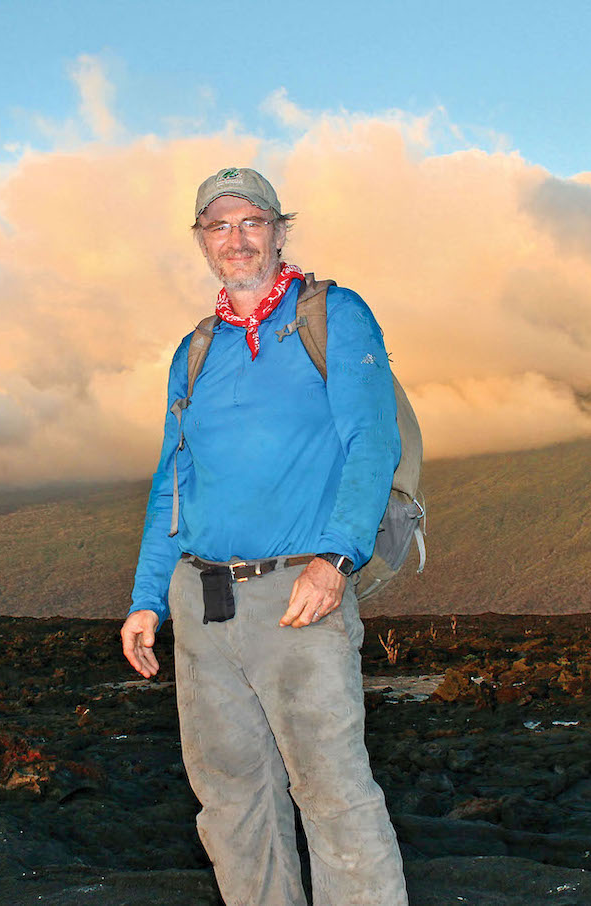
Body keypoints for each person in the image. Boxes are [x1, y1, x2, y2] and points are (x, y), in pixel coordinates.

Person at [120, 167, 409, 905]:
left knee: (333, 792)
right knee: (231, 799)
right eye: (219, 225)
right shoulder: (195, 352)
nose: (236, 238)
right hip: (201, 600)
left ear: (280, 231)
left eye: (252, 221)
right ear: (203, 242)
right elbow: (170, 485)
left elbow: (371, 442)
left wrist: (336, 559)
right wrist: (147, 597)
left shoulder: (333, 317)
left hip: (298, 593)